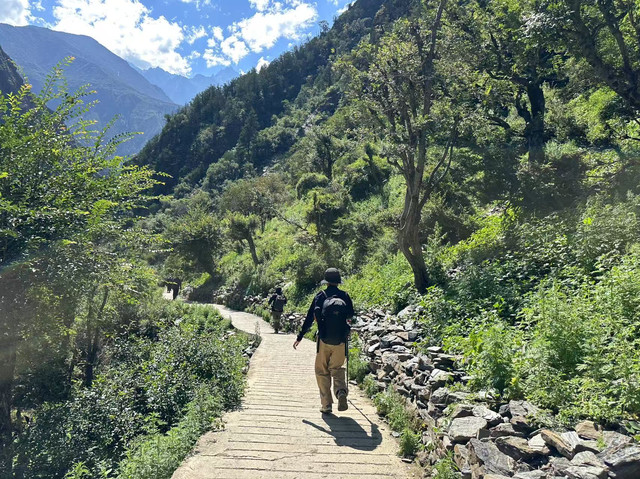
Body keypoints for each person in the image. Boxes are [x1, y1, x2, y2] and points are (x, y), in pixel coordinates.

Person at [293, 268, 354, 414]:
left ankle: (326, 404)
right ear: (338, 281)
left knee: (322, 371)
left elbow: (309, 318)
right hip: (340, 341)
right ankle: (340, 391)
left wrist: (300, 336)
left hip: (323, 340)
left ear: (326, 282)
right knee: (337, 369)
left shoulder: (320, 296)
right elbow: (351, 316)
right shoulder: (345, 296)